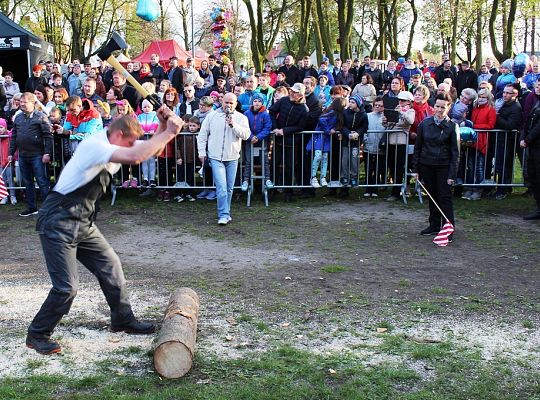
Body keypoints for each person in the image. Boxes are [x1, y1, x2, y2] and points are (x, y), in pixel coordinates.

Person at [26, 109, 184, 355]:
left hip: (82, 221)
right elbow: (137, 156)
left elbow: (152, 149)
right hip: (58, 221)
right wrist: (169, 132)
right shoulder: (94, 145)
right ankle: (37, 334)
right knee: (66, 287)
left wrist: (164, 127)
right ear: (119, 134)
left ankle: (122, 320)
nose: (133, 145)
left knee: (111, 266)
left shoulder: (114, 139)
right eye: (130, 141)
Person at [412, 92, 459, 240]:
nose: (439, 110)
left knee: (444, 198)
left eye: (443, 107)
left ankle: (448, 227)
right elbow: (418, 148)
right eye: (437, 106)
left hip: (444, 166)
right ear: (433, 107)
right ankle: (434, 225)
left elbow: (455, 153)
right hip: (427, 165)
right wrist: (415, 169)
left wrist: (452, 174)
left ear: (448, 107)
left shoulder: (452, 126)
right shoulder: (424, 124)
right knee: (432, 197)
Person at [197, 93, 250, 224]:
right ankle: (223, 214)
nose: (229, 105)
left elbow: (246, 135)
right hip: (215, 157)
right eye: (226, 102)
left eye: (231, 103)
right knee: (221, 187)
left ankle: (226, 212)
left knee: (229, 188)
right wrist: (202, 152)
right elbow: (203, 134)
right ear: (222, 102)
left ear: (236, 104)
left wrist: (234, 125)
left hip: (232, 157)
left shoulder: (241, 118)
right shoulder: (212, 116)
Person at [8, 92, 52, 216]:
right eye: (20, 102)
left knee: (42, 181)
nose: (21, 104)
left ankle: (47, 209)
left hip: (38, 154)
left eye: (24, 102)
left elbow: (48, 136)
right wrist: (11, 153)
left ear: (33, 102)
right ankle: (32, 207)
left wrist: (47, 153)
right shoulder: (18, 117)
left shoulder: (41, 116)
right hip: (22, 155)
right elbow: (14, 136)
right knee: (27, 182)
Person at [463, 88, 496, 201]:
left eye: (483, 97)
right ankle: (470, 187)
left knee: (479, 167)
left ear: (488, 98)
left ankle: (478, 190)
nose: (481, 99)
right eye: (480, 96)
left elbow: (491, 125)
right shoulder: (475, 108)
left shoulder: (490, 109)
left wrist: (475, 126)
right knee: (470, 166)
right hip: (472, 141)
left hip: (482, 141)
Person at [240, 93, 273, 191]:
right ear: (252, 102)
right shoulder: (246, 113)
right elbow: (244, 127)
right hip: (250, 141)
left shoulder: (265, 114)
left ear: (262, 103)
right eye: (255, 101)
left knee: (265, 161)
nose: (257, 103)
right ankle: (246, 180)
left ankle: (267, 179)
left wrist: (258, 137)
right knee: (248, 160)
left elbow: (267, 127)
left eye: (259, 101)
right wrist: (250, 137)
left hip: (262, 141)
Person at [340, 95, 368, 191]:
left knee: (354, 159)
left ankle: (354, 177)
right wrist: (348, 134)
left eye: (353, 102)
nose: (350, 104)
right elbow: (342, 125)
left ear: (358, 104)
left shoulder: (363, 114)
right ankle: (344, 177)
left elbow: (364, 127)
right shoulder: (345, 112)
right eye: (350, 102)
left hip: (356, 141)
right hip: (346, 140)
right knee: (345, 159)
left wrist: (358, 133)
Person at [520, 84, 540, 219]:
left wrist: (527, 139)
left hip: (537, 145)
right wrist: (523, 136)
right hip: (533, 146)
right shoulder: (535, 101)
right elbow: (528, 121)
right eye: (537, 85)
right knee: (534, 175)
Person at [364, 97, 386, 197]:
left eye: (380, 105)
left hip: (380, 148)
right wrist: (365, 140)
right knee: (368, 168)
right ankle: (367, 188)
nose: (378, 107)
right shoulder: (367, 116)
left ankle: (375, 189)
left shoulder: (386, 118)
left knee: (378, 168)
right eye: (376, 105)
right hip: (368, 146)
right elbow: (364, 128)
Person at [137, 99, 159, 188]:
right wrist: (141, 130)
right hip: (143, 140)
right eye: (144, 107)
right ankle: (145, 178)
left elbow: (156, 123)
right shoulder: (140, 116)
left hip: (151, 140)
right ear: (142, 108)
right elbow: (138, 124)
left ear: (152, 107)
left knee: (152, 160)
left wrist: (153, 129)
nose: (146, 109)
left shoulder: (155, 115)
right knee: (144, 160)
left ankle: (152, 179)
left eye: (148, 107)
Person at [0, 117, 17, 205]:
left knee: (10, 179)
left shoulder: (9, 137)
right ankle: (4, 196)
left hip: (9, 162)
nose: (0, 130)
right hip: (0, 163)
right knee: (2, 180)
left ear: (5, 127)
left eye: (1, 127)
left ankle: (12, 195)